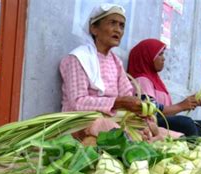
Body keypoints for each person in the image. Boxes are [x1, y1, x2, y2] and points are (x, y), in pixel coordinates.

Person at [59, 3, 162, 143]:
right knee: (118, 132)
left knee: (161, 132)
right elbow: (77, 102)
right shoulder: (79, 58)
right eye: (112, 23)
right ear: (94, 28)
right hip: (82, 122)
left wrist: (140, 110)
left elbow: (126, 95)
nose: (118, 30)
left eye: (121, 25)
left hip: (113, 118)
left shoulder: (116, 62)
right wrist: (117, 102)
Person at [127, 39, 201, 138]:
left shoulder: (156, 81)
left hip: (164, 121)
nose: (163, 59)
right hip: (151, 124)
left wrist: (189, 103)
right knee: (187, 124)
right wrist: (182, 106)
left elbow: (167, 110)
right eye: (160, 54)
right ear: (147, 57)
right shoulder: (142, 80)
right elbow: (152, 111)